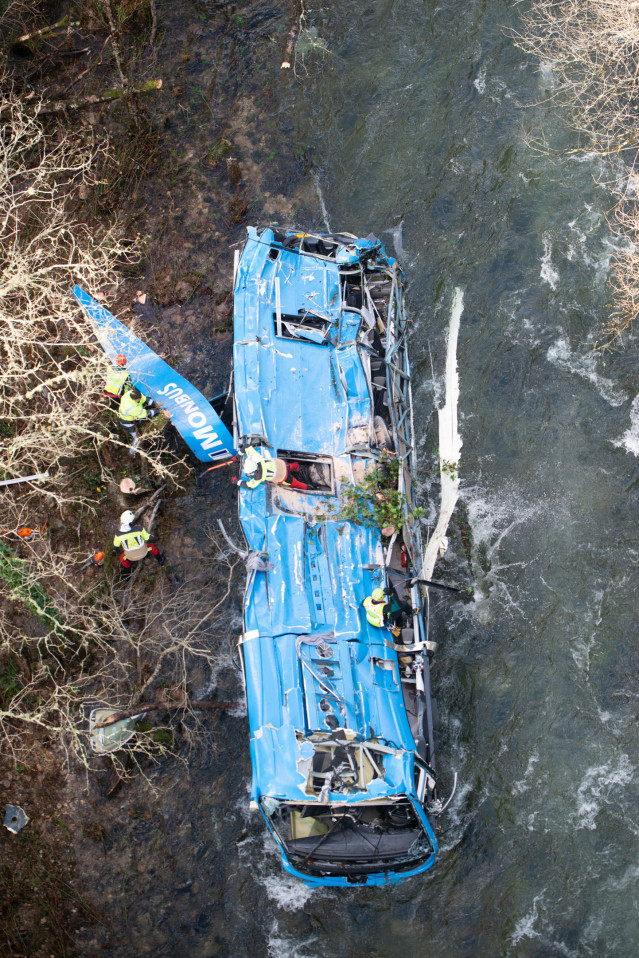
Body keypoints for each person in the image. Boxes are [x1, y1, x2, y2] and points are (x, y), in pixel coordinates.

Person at [113, 510, 165, 577]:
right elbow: (150, 539)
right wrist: (152, 536)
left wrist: (115, 550)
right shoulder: (140, 529)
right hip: (144, 552)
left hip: (130, 557)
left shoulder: (118, 535)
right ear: (131, 522)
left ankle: (128, 572)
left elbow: (115, 547)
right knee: (152, 547)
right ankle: (160, 560)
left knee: (121, 558)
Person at [234, 446, 307, 491]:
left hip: (284, 477)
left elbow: (249, 486)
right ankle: (300, 466)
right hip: (283, 464)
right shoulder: (257, 457)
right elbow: (246, 446)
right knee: (292, 466)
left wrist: (236, 481)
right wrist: (237, 456)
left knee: (297, 484)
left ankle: (307, 487)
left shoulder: (258, 477)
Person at [118, 386, 159, 454]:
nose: (140, 399)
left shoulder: (130, 393)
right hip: (127, 423)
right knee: (137, 438)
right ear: (135, 399)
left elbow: (144, 399)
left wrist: (154, 403)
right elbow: (144, 414)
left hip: (132, 418)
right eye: (138, 399)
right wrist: (156, 412)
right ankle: (132, 452)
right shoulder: (131, 407)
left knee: (139, 426)